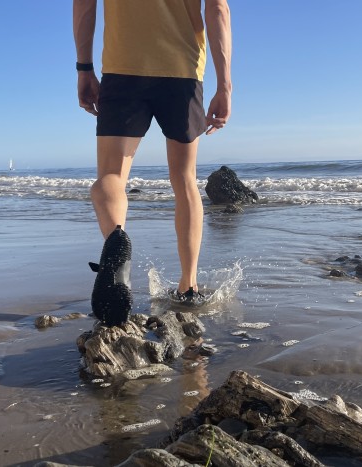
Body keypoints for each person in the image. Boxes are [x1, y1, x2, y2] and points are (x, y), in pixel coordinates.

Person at [73, 0, 232, 327]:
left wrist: (84, 67)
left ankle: (116, 246)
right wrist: (225, 84)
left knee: (111, 176)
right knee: (185, 180)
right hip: (183, 70)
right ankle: (188, 286)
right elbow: (218, 10)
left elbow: (84, 5)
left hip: (122, 67)